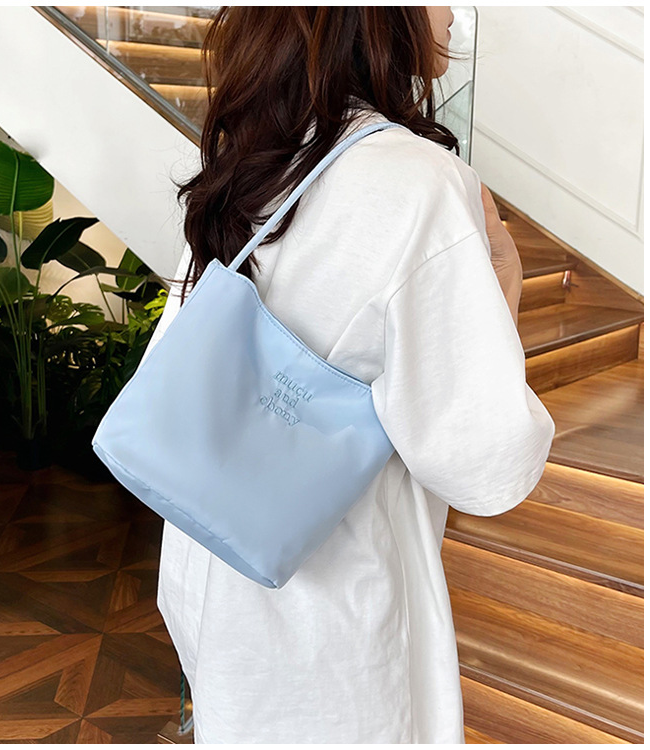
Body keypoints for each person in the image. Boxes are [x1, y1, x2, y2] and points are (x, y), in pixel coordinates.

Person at [151, 7, 555, 743]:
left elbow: (179, 356)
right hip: (332, 634)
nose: (457, 15)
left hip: (207, 584)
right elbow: (483, 462)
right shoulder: (420, 182)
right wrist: (507, 285)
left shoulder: (261, 153)